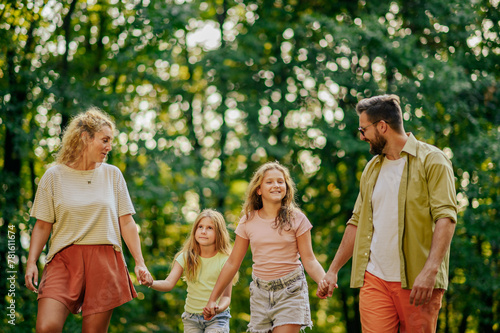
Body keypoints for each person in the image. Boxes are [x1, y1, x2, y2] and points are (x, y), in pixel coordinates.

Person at [318, 94, 458, 332]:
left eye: (363, 130)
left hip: (418, 280)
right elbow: (356, 222)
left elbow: (446, 217)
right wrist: (333, 270)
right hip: (375, 279)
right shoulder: (372, 168)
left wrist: (430, 271)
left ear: (382, 126)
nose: (361, 136)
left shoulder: (433, 161)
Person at [25, 107, 152, 333]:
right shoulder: (53, 176)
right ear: (85, 137)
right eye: (104, 140)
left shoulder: (113, 175)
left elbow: (127, 223)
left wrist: (139, 262)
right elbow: (43, 224)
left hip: (105, 261)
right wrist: (31, 261)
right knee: (46, 327)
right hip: (63, 260)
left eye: (110, 141)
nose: (109, 147)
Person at [204, 161, 326, 333]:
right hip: (260, 294)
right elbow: (232, 263)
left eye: (280, 181)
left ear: (286, 188)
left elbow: (310, 259)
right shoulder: (248, 221)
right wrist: (212, 299)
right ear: (259, 189)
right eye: (269, 182)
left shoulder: (297, 219)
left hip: (290, 291)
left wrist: (323, 280)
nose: (276, 185)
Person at [142, 209, 237, 333]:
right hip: (191, 319)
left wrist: (217, 308)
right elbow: (168, 283)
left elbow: (226, 297)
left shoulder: (226, 261)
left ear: (219, 233)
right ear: (194, 231)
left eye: (210, 228)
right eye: (200, 227)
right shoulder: (186, 257)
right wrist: (151, 283)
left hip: (218, 318)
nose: (203, 231)